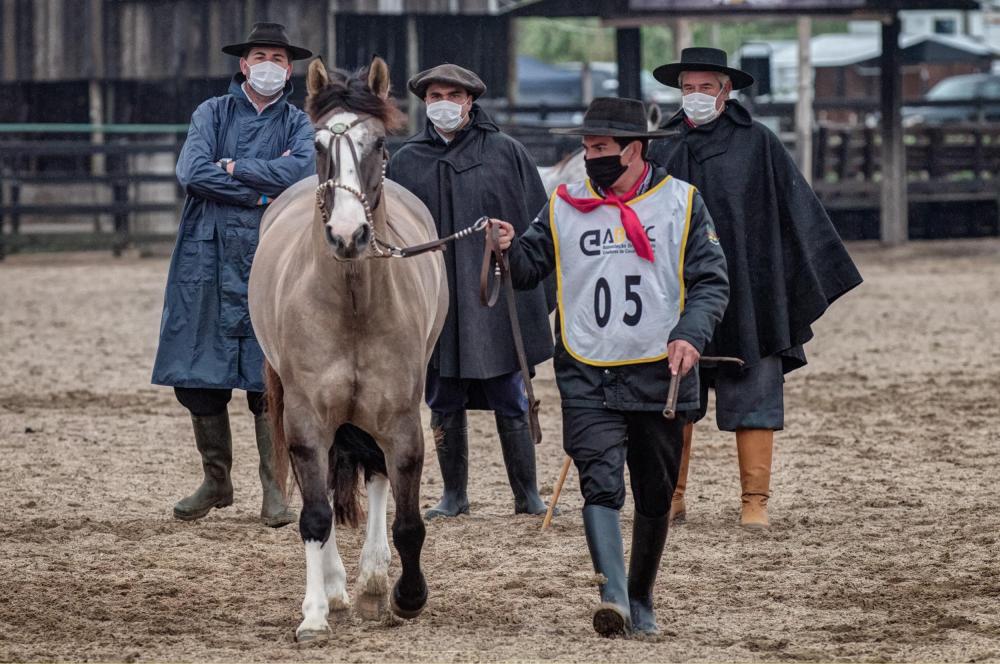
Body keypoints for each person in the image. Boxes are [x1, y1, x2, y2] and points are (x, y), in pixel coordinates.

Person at [491, 97, 729, 637]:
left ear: (635, 149)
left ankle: (641, 596)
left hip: (660, 369)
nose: (590, 157)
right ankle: (614, 597)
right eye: (586, 147)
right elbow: (528, 268)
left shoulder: (683, 202)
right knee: (598, 482)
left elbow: (712, 281)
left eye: (600, 148)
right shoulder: (564, 203)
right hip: (587, 365)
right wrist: (507, 247)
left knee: (654, 489)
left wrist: (691, 334)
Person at [649, 47, 863, 529]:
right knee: (671, 396)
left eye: (706, 87)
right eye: (688, 87)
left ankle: (754, 501)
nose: (696, 95)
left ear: (726, 91)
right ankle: (670, 497)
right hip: (676, 290)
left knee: (755, 389)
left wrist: (789, 284)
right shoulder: (661, 146)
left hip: (750, 288)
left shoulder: (758, 142)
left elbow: (793, 212)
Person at [151, 22, 316, 527]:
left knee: (269, 375)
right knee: (198, 374)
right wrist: (261, 188)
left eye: (278, 58)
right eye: (260, 56)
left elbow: (303, 172)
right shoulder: (212, 112)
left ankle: (274, 488)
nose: (269, 65)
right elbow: (192, 171)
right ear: (244, 64)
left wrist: (232, 168)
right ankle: (216, 479)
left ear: (289, 68)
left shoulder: (298, 123)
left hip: (272, 253)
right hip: (207, 254)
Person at [388, 64, 555, 520]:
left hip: (494, 294)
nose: (443, 103)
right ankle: (453, 495)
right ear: (425, 102)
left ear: (470, 101)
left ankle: (527, 493)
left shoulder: (506, 152)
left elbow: (540, 223)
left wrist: (514, 242)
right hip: (435, 297)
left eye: (453, 95)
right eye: (435, 96)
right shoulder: (406, 160)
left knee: (510, 391)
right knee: (442, 394)